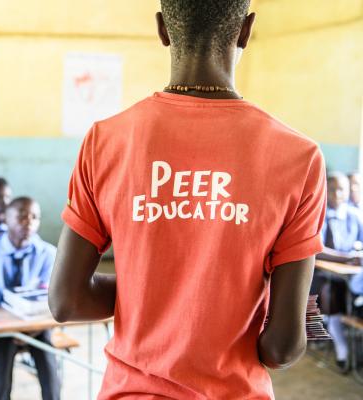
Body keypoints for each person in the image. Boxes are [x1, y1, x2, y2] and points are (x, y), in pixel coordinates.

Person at [48, 1, 327, 398]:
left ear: (162, 29)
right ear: (246, 30)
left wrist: (147, 291)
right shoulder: (300, 158)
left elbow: (66, 301)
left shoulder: (106, 140)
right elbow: (281, 347)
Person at [0, 197, 60, 400]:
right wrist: (11, 328)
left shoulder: (48, 253)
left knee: (45, 345)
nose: (28, 222)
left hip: (36, 324)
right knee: (4, 345)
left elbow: (48, 298)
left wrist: (32, 326)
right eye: (21, 216)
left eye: (34, 217)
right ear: (5, 218)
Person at [316, 172, 363, 370]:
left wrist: (357, 254)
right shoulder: (322, 214)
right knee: (331, 294)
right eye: (332, 189)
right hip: (327, 274)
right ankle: (341, 349)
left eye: (341, 189)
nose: (337, 193)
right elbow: (317, 248)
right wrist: (348, 257)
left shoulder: (354, 215)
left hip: (352, 272)